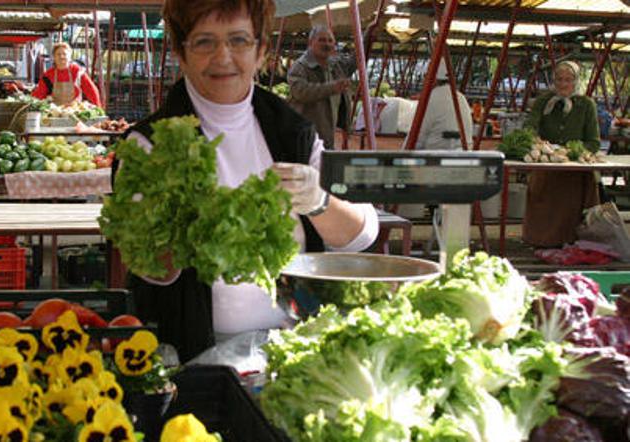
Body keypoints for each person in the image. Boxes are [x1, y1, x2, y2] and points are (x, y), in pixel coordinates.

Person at [118, 0, 379, 362]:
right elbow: (147, 265)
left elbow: (360, 235)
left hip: (295, 349)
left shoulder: (292, 131)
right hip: (195, 356)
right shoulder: (150, 143)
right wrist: (184, 228)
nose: (223, 57)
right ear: (181, 52)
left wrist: (317, 199)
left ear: (261, 52)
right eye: (204, 42)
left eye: (239, 41)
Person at [522, 60, 601, 247]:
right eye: (559, 79)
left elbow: (594, 141)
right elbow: (530, 127)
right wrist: (538, 145)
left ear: (575, 82)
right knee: (543, 203)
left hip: (575, 171)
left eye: (568, 80)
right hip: (547, 165)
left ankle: (571, 243)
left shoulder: (586, 105)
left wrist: (574, 152)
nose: (563, 84)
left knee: (571, 208)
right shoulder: (544, 102)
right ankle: (541, 241)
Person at [287, 25, 359, 149]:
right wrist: (332, 88)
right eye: (322, 40)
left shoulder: (336, 65)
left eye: (330, 41)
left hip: (327, 136)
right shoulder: (300, 67)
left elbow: (356, 60)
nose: (327, 44)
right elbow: (301, 92)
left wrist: (367, 36)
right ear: (311, 42)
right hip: (304, 138)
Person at [405, 63, 473, 150]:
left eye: (425, 76)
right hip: (465, 157)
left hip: (435, 157)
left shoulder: (430, 99)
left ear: (434, 78)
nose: (424, 80)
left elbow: (416, 137)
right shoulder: (461, 97)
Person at [31, 42, 101, 106]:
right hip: (55, 113)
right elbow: (39, 94)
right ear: (54, 57)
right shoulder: (48, 75)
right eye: (58, 54)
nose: (61, 57)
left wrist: (98, 109)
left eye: (64, 54)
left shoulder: (78, 72)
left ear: (70, 56)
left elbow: (92, 91)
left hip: (75, 112)